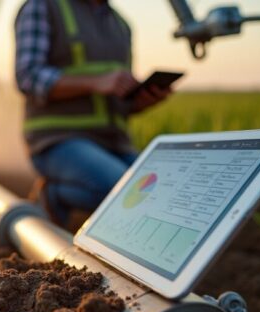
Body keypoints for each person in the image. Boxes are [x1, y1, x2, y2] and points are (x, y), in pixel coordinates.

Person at [15, 0, 172, 225]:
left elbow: (117, 96)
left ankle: (65, 193)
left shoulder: (120, 25)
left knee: (161, 194)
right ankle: (54, 194)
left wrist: (140, 101)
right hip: (58, 140)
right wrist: (94, 82)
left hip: (114, 143)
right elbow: (28, 76)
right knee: (123, 192)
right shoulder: (43, 6)